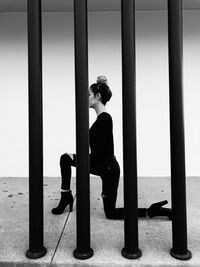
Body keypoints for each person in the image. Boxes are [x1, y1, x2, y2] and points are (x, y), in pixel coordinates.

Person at [52, 75, 172, 220]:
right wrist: (76, 157)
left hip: (108, 169)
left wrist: (79, 159)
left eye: (88, 94)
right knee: (65, 158)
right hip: (100, 163)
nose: (85, 97)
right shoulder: (100, 119)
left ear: (97, 96)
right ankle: (66, 197)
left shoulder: (105, 119)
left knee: (111, 213)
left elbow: (101, 152)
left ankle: (152, 211)